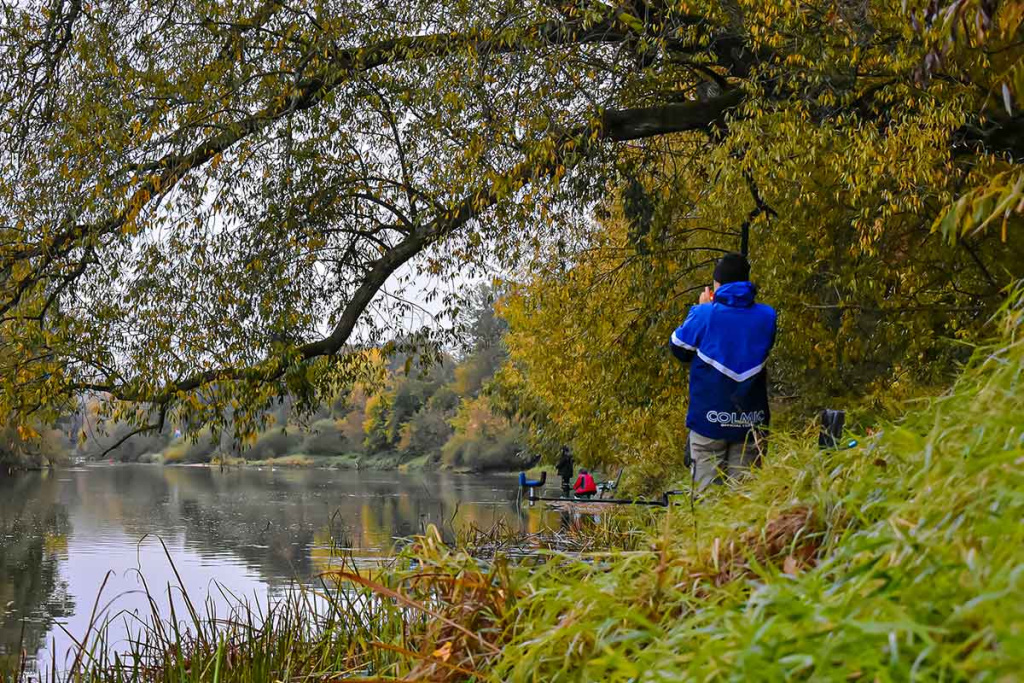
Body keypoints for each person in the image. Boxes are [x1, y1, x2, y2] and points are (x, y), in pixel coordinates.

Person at [669, 253, 776, 491]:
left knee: (707, 498)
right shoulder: (768, 317)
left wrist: (701, 308)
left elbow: (678, 348)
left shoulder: (704, 314)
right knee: (744, 498)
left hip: (708, 421)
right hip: (751, 421)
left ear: (716, 285)